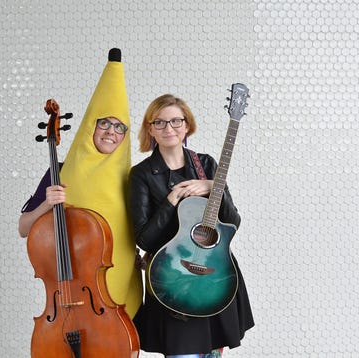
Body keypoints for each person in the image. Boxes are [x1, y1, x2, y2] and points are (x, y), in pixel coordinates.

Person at [19, 48, 143, 319]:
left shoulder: (133, 177)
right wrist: (46, 206)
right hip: (71, 291)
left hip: (120, 287)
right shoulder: (59, 171)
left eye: (120, 126)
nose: (111, 131)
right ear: (90, 126)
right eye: (104, 123)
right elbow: (23, 228)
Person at [128, 94, 254, 357]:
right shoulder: (141, 174)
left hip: (214, 274)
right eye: (160, 122)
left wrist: (214, 187)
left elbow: (232, 223)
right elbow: (144, 239)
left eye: (176, 121)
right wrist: (171, 200)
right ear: (150, 128)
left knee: (212, 354)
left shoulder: (206, 164)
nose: (169, 128)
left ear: (187, 125)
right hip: (173, 279)